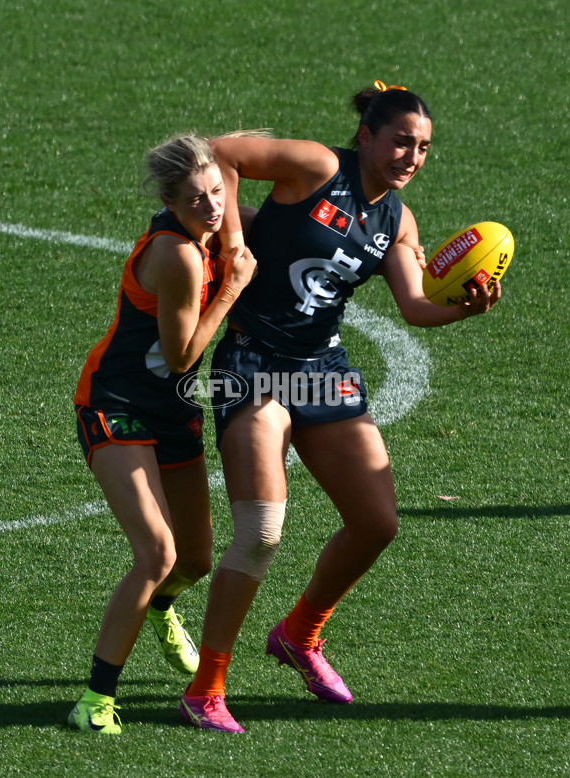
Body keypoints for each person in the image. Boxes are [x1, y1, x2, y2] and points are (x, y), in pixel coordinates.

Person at [177, 81, 502, 733]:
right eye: (401, 141)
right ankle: (205, 688)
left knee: (377, 522)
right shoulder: (318, 168)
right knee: (262, 531)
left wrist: (464, 308)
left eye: (424, 148)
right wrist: (235, 242)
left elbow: (413, 306)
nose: (411, 156)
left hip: (323, 369)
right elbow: (220, 154)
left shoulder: (398, 221)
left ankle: (300, 634)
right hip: (253, 361)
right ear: (367, 137)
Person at [67, 134, 256, 734]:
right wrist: (231, 288)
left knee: (195, 558)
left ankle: (161, 606)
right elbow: (179, 357)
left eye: (217, 192)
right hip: (116, 403)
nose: (212, 207)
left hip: (171, 413)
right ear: (171, 204)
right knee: (157, 551)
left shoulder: (212, 227)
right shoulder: (178, 256)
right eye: (197, 199)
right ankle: (95, 701)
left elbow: (257, 209)